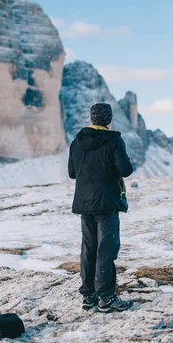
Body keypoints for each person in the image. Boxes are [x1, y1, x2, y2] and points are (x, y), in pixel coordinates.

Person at [68, 103, 134, 313]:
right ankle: (106, 297)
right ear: (109, 120)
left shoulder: (77, 142)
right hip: (106, 204)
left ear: (91, 118)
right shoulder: (113, 139)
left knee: (88, 248)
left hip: (84, 204)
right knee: (106, 249)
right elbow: (125, 170)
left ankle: (89, 296)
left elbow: (72, 172)